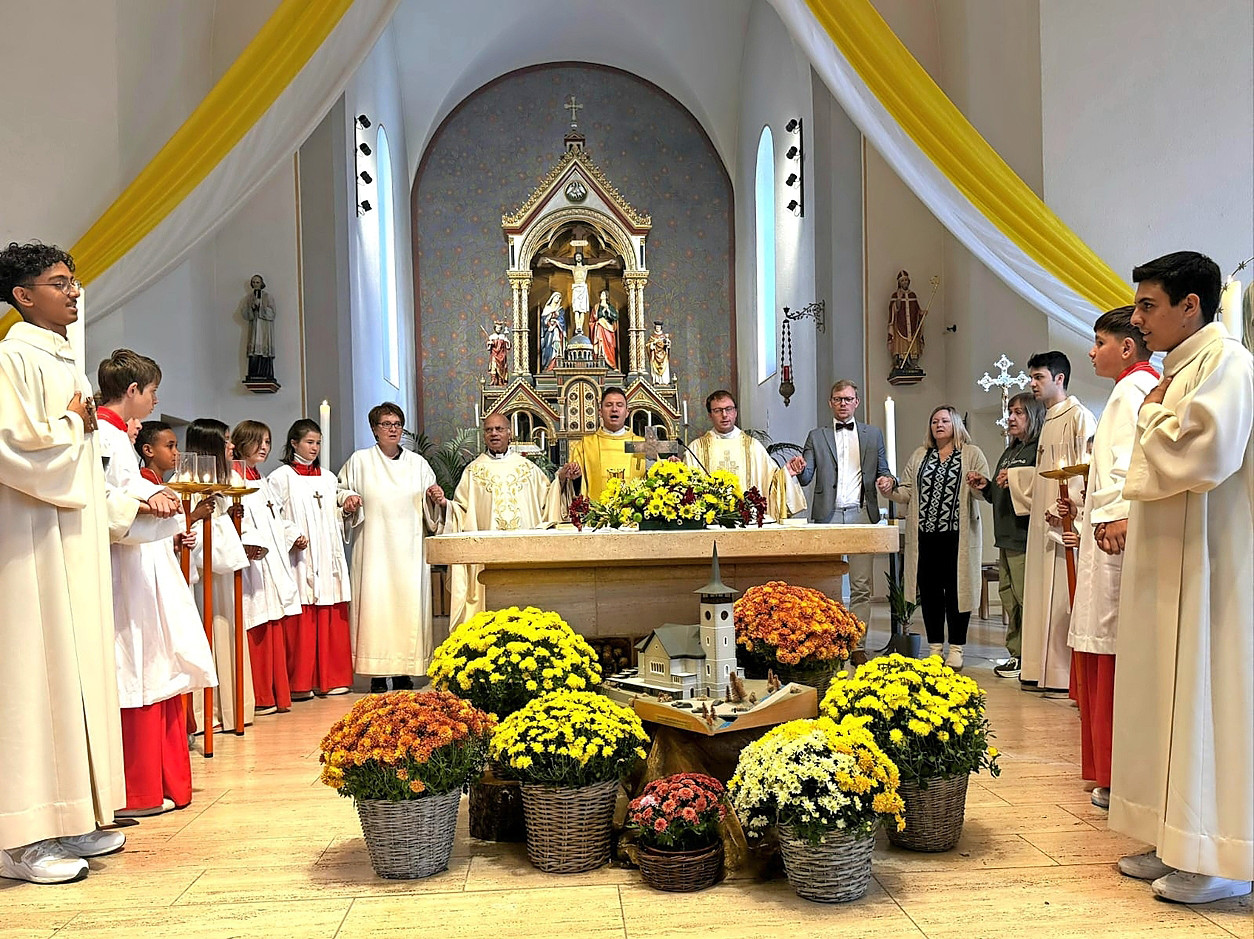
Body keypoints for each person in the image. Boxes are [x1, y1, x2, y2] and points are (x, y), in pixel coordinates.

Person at [1108, 251, 1252, 904]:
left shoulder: (1229, 364)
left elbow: (1208, 451)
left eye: (1148, 306)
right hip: (1170, 556)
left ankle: (1217, 855)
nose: (1138, 320)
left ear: (1191, 305)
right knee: (1162, 690)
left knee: (1206, 694)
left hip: (1212, 561)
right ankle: (1170, 833)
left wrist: (1150, 414)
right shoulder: (1179, 368)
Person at [0, 242, 126, 884]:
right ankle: (19, 838)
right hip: (29, 540)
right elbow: (8, 445)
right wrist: (70, 427)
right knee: (32, 670)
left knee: (72, 667)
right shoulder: (12, 357)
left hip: (69, 532)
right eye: (58, 282)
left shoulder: (63, 358)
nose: (74, 292)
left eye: (74, 281)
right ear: (23, 296)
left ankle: (71, 811)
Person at [96, 354, 215, 818]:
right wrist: (148, 504)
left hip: (145, 564)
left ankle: (155, 784)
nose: (156, 398)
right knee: (136, 663)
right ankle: (135, 789)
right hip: (126, 569)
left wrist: (155, 498)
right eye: (151, 390)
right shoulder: (104, 435)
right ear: (132, 392)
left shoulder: (117, 436)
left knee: (155, 662)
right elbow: (106, 500)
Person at [1054, 307, 1159, 811]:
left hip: (1116, 542)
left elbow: (1126, 462)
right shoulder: (1135, 387)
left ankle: (1118, 775)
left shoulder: (1132, 389)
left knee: (1114, 651)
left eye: (1099, 342)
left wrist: (1112, 514)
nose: (1091, 351)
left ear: (1126, 346)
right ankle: (1111, 774)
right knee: (1104, 646)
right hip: (1105, 539)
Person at [1004, 351, 1096, 692]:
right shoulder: (1049, 419)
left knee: (1060, 596)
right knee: (1041, 593)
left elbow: (1084, 467)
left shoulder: (1079, 416)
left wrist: (1067, 507)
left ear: (1059, 378)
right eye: (1031, 377)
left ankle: (1060, 674)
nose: (1032, 383)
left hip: (1064, 524)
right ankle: (1038, 670)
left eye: (1039, 377)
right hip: (1043, 523)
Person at [786, 380, 894, 662]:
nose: (843, 403)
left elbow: (884, 470)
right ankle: (826, 644)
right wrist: (799, 470)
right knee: (826, 582)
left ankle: (857, 644)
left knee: (861, 585)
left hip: (860, 513)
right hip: (827, 514)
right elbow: (808, 476)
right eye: (837, 399)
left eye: (848, 399)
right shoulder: (816, 436)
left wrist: (888, 481)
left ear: (856, 402)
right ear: (830, 403)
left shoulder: (873, 435)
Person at [337, 404, 438, 693]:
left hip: (408, 550)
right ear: (374, 429)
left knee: (408, 607)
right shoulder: (360, 461)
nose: (393, 429)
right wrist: (348, 500)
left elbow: (433, 501)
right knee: (375, 606)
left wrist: (435, 497)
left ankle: (406, 671)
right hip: (373, 551)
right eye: (386, 424)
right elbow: (340, 490)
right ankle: (378, 674)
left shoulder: (418, 464)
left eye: (397, 424)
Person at [882, 406, 989, 669]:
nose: (938, 425)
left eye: (944, 420)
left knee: (957, 592)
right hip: (925, 536)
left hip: (957, 536)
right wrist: (889, 489)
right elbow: (906, 491)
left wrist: (980, 483)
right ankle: (934, 648)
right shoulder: (921, 455)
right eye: (934, 421)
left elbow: (983, 491)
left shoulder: (971, 453)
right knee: (930, 593)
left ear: (955, 424)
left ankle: (956, 648)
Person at [430, 412, 552, 626]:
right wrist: (444, 505)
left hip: (523, 553)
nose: (494, 434)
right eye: (489, 430)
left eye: (499, 429)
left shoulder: (529, 470)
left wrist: (562, 480)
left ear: (509, 433)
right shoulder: (473, 471)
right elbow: (461, 511)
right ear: (484, 435)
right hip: (486, 560)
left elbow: (548, 503)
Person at [269, 419, 357, 699]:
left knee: (331, 611)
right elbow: (272, 515)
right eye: (309, 442)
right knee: (303, 616)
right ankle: (301, 682)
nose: (314, 448)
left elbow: (334, 515)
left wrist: (346, 509)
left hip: (327, 555)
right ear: (294, 443)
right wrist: (291, 534)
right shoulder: (281, 477)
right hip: (300, 557)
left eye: (318, 443)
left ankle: (332, 678)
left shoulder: (329, 478)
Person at [967, 392, 1044, 678]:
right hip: (1005, 535)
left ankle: (1032, 655)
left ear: (1034, 416)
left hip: (1024, 536)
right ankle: (1016, 653)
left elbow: (1036, 487)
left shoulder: (1038, 449)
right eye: (1010, 412)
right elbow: (1001, 493)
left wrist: (1012, 481)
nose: (1011, 417)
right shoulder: (1011, 450)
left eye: (1019, 413)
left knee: (1025, 598)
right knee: (1009, 596)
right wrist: (987, 485)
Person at [184, 419, 253, 732]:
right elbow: (192, 534)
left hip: (225, 576)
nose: (231, 446)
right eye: (226, 440)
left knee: (228, 631)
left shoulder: (225, 486)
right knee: (210, 633)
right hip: (205, 578)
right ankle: (207, 712)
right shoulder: (188, 485)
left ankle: (232, 708)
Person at [231, 420, 302, 715]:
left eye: (268, 442)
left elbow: (276, 519)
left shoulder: (261, 480)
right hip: (252, 564)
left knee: (274, 624)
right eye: (258, 441)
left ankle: (274, 694)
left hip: (273, 562)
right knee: (257, 625)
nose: (264, 447)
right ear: (241, 442)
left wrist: (291, 532)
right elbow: (236, 524)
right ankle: (260, 696)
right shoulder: (235, 481)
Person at [686, 390, 805, 521]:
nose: (724, 415)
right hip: (710, 522)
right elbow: (686, 486)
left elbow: (771, 482)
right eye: (718, 410)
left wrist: (787, 473)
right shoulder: (697, 448)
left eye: (728, 409)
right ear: (710, 415)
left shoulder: (753, 446)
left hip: (748, 521)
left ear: (735, 412)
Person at [552, 386, 645, 506]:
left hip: (637, 517)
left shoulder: (642, 444)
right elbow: (572, 486)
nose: (614, 409)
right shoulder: (586, 445)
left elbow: (656, 479)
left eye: (619, 405)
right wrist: (572, 477)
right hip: (596, 517)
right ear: (600, 412)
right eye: (609, 405)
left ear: (627, 412)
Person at [543, 250, 617, 333]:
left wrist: (608, 262)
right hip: (576, 289)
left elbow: (597, 265)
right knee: (576, 309)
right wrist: (550, 261)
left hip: (583, 289)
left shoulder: (585, 267)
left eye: (579, 256)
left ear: (582, 258)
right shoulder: (573, 268)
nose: (578, 257)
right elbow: (561, 265)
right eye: (577, 256)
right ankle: (577, 326)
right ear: (575, 258)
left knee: (582, 310)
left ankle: (580, 327)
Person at [239, 274, 276, 382]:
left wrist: (261, 307)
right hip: (255, 326)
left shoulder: (268, 297)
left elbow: (272, 313)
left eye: (257, 282)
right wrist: (252, 307)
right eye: (254, 282)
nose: (255, 284)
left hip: (264, 327)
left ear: (262, 283)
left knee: (264, 348)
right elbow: (245, 313)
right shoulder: (249, 298)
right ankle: (254, 372)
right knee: (255, 348)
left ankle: (265, 373)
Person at [888, 270, 925, 371]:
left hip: (912, 325)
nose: (904, 282)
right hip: (900, 325)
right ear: (899, 283)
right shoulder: (895, 295)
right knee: (901, 344)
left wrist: (921, 313)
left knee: (913, 342)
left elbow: (916, 309)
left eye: (906, 280)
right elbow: (893, 310)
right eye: (902, 281)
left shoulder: (912, 295)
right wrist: (898, 301)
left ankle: (913, 363)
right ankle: (901, 362)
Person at [592, 290, 619, 370]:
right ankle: (600, 363)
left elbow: (616, 317)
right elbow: (593, 318)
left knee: (610, 344)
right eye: (601, 294)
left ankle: (611, 365)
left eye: (603, 294)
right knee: (600, 344)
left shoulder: (610, 307)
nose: (602, 295)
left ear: (606, 296)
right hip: (600, 328)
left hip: (608, 328)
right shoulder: (597, 307)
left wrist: (608, 311)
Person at [539, 292, 566, 372]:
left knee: (557, 347)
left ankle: (557, 364)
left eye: (559, 297)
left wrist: (556, 323)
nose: (557, 298)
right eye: (556, 296)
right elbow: (543, 321)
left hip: (557, 331)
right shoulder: (547, 308)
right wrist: (550, 317)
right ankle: (548, 365)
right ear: (552, 298)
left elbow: (562, 322)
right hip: (549, 332)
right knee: (548, 347)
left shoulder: (560, 310)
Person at [486, 320, 510, 386]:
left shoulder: (503, 336)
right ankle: (493, 380)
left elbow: (508, 347)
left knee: (501, 368)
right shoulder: (491, 337)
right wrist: (489, 343)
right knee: (494, 367)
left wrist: (507, 342)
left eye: (499, 328)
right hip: (494, 354)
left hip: (501, 355)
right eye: (497, 328)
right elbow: (489, 348)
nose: (498, 329)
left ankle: (500, 380)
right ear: (495, 328)